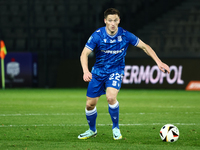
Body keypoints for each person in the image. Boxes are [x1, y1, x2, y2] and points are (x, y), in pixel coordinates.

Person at [78, 8, 170, 140]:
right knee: (89, 104)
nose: (112, 23)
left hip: (115, 71)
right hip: (98, 72)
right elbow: (84, 54)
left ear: (119, 21)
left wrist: (159, 62)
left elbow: (145, 47)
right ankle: (92, 130)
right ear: (105, 21)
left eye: (115, 20)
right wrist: (86, 71)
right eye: (110, 20)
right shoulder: (97, 35)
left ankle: (115, 128)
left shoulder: (126, 35)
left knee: (111, 97)